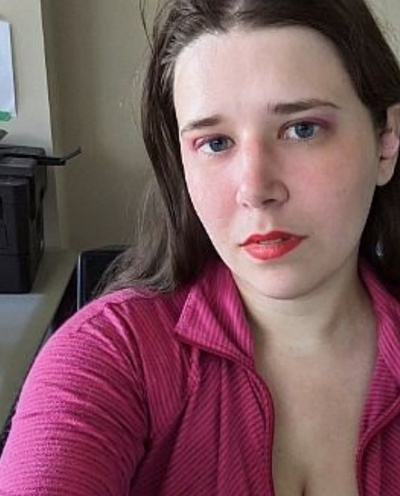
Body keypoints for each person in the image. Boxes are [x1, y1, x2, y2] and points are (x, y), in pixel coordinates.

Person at [1, 0, 400, 494]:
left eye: (302, 129)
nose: (255, 189)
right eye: (215, 143)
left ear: (387, 140)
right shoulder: (109, 356)